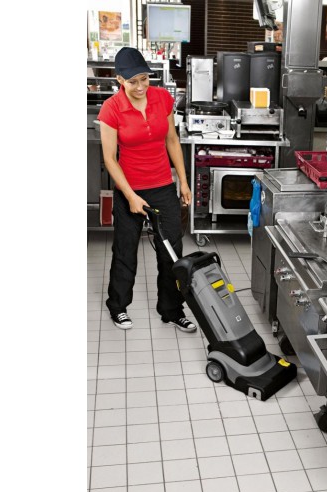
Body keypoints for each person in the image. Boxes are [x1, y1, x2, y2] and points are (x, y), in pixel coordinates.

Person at [97, 47, 197, 333]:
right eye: (133, 81)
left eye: (144, 79)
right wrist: (130, 196)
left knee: (171, 252)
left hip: (163, 186)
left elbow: (172, 141)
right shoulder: (111, 108)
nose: (141, 86)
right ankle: (118, 307)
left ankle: (172, 310)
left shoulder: (162, 98)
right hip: (129, 189)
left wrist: (183, 182)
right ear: (120, 80)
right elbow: (109, 158)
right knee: (125, 251)